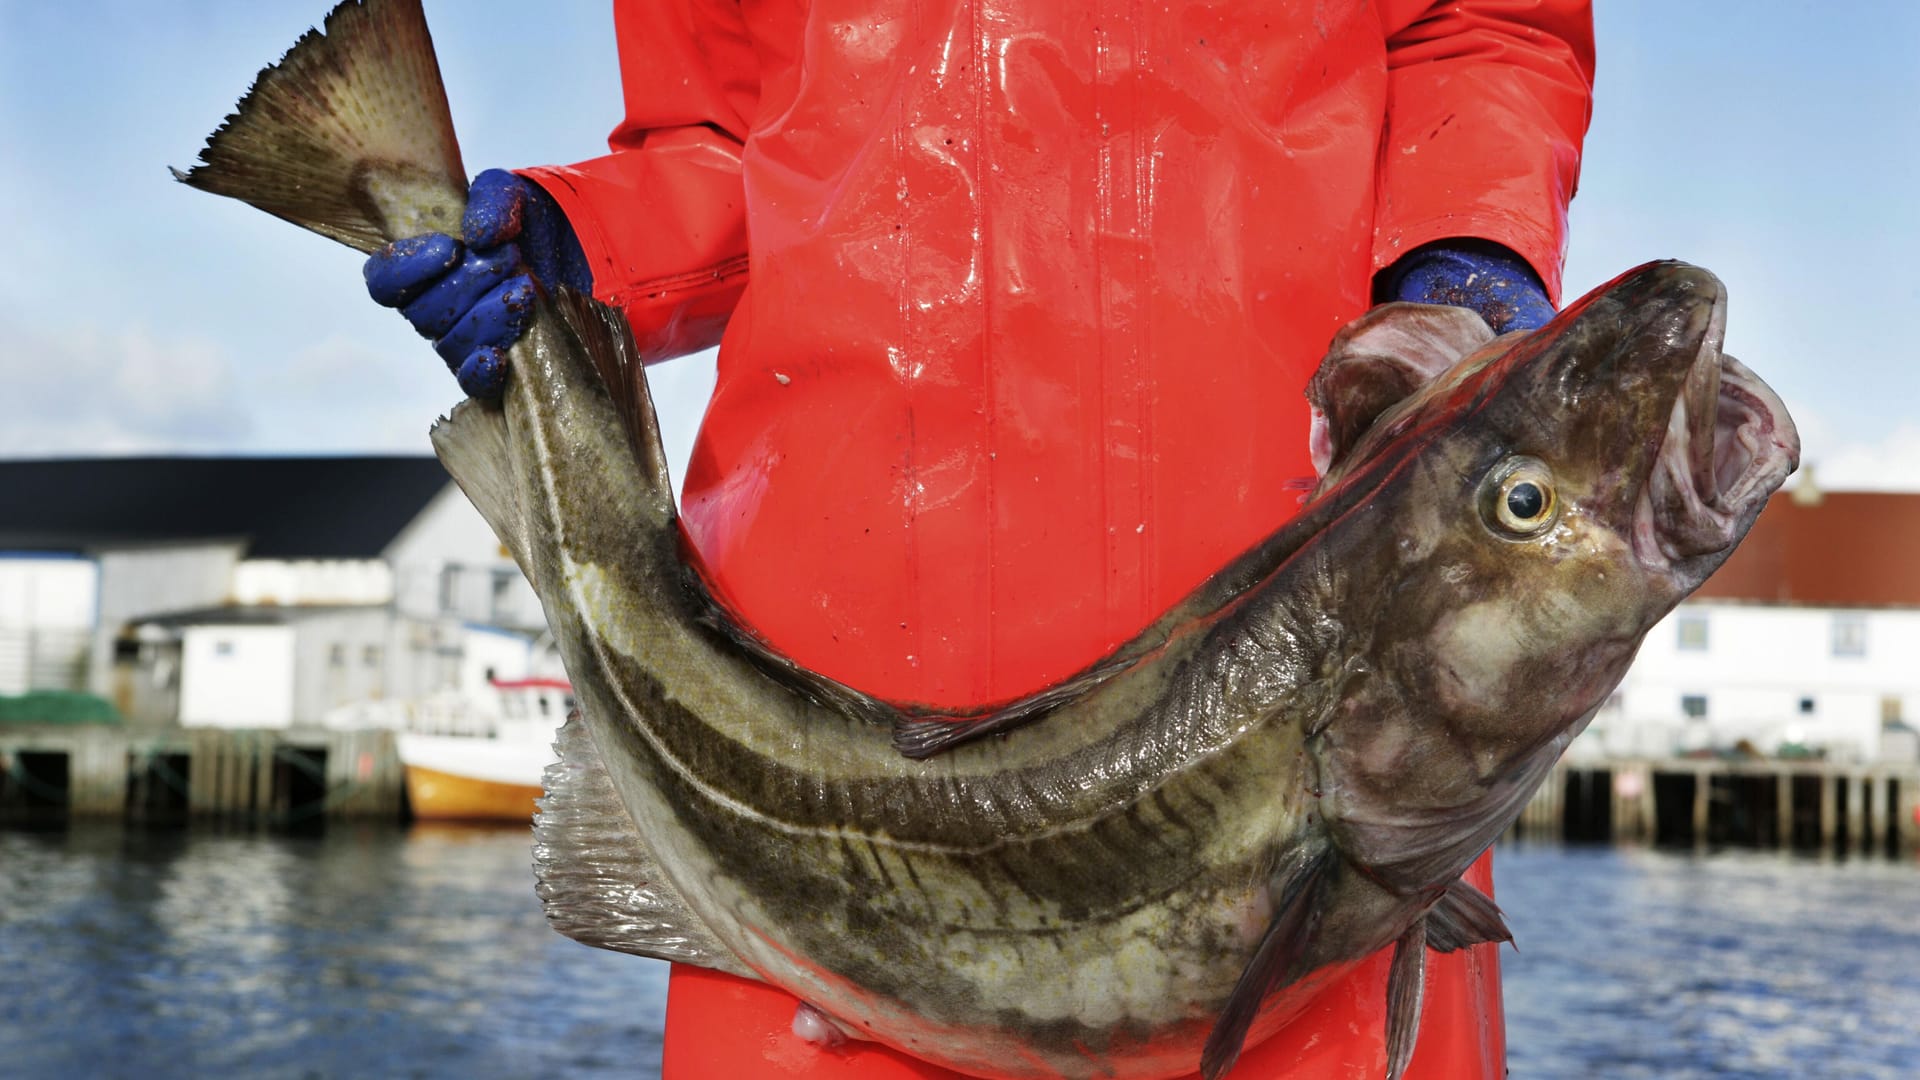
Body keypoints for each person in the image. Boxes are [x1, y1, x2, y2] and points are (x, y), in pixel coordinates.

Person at [367, 2, 1594, 1075]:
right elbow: (724, 139)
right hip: (805, 765)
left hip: (1314, 708)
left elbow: (1479, 23)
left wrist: (1465, 250)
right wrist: (583, 246)